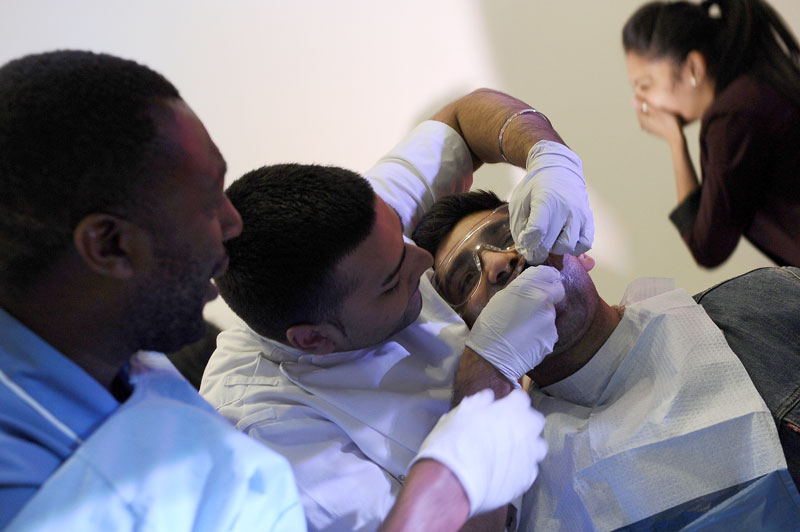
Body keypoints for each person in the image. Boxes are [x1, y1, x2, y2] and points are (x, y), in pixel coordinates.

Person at [0, 51, 548, 532]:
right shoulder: (30, 489)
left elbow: (459, 123)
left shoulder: (121, 353)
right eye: (206, 204)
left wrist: (547, 155)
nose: (232, 226)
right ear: (110, 244)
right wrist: (448, 487)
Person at [200, 88, 594, 531]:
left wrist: (548, 155)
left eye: (400, 239)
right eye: (392, 281)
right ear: (314, 338)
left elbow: (462, 119)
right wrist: (487, 373)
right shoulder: (274, 438)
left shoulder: (359, 235)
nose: (423, 262)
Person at [412, 189, 800, 531]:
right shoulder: (519, 491)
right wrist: (485, 371)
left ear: (577, 247)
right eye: (466, 280)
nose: (499, 263)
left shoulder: (762, 305)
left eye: (509, 235)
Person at [623, 0, 800, 267]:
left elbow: (708, 248)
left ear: (693, 68)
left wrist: (675, 142)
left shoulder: (732, 117)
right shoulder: (753, 90)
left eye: (645, 85)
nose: (640, 102)